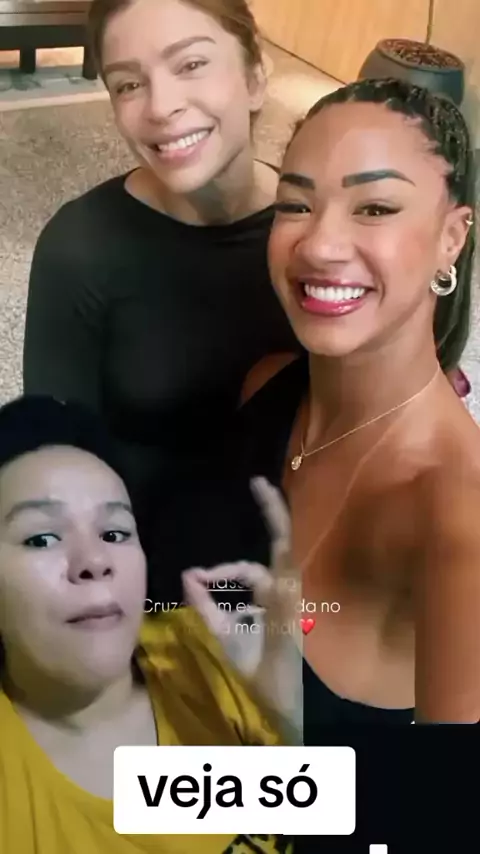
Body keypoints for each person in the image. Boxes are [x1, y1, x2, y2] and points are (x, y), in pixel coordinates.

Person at [154, 78, 480, 727]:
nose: (319, 246)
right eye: (296, 204)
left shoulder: (457, 528)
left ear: (452, 237)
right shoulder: (268, 385)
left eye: (375, 208)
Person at [22, 0, 299, 554]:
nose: (160, 106)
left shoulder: (315, 234)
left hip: (300, 559)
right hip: (142, 567)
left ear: (254, 77)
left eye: (191, 64)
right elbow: (55, 467)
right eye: (128, 84)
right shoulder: (81, 247)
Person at [0, 395, 297, 854]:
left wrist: (297, 717)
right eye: (41, 538)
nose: (95, 560)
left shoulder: (220, 652)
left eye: (115, 533)